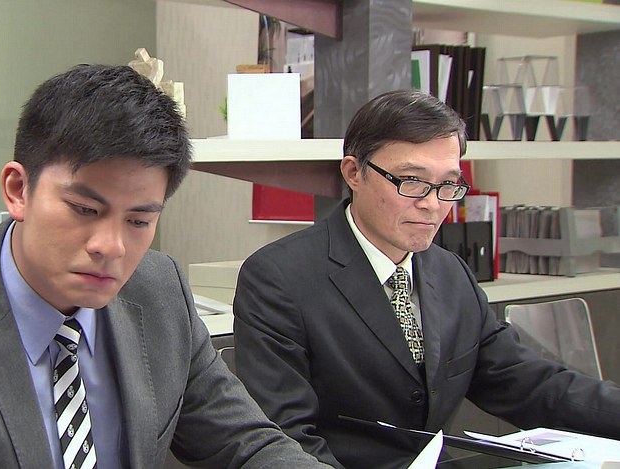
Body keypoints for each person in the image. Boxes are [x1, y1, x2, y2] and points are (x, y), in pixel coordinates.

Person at [0, 64, 331, 469]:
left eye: (140, 220)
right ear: (18, 189)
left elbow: (248, 444)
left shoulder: (158, 293)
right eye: (84, 209)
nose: (111, 246)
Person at [232, 89, 620, 469]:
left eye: (448, 185)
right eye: (411, 181)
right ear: (353, 173)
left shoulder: (451, 273)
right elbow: (284, 438)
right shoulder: (279, 278)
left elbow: (526, 383)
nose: (432, 204)